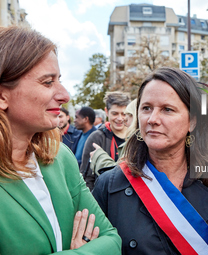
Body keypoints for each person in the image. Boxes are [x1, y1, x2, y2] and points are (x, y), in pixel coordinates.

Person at [92, 67, 208, 254]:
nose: (152, 119)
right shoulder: (109, 185)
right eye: (146, 108)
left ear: (192, 121)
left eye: (167, 109)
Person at [0, 26, 121, 254]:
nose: (65, 95)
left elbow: (111, 240)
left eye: (59, 80)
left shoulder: (58, 156)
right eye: (47, 82)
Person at [81, 92, 130, 190]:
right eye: (115, 113)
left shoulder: (136, 137)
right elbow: (86, 176)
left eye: (124, 114)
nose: (120, 118)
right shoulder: (96, 137)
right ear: (106, 112)